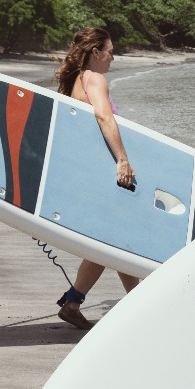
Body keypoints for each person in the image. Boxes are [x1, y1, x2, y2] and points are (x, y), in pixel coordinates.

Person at [52, 27, 139, 330]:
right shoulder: (95, 79)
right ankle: (138, 307)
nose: (113, 57)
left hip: (86, 172)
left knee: (112, 240)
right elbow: (104, 117)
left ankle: (74, 302)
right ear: (95, 52)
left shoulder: (76, 81)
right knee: (119, 239)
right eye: (110, 51)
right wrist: (123, 159)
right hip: (104, 172)